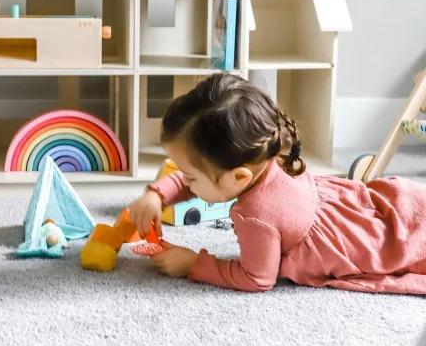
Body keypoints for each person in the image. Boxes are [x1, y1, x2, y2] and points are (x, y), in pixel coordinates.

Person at [128, 73, 426, 293]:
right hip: (380, 210)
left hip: (375, 242)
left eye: (189, 176)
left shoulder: (257, 217)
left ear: (239, 177)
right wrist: (158, 195)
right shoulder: (264, 154)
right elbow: (204, 175)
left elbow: (257, 278)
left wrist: (193, 264)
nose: (184, 181)